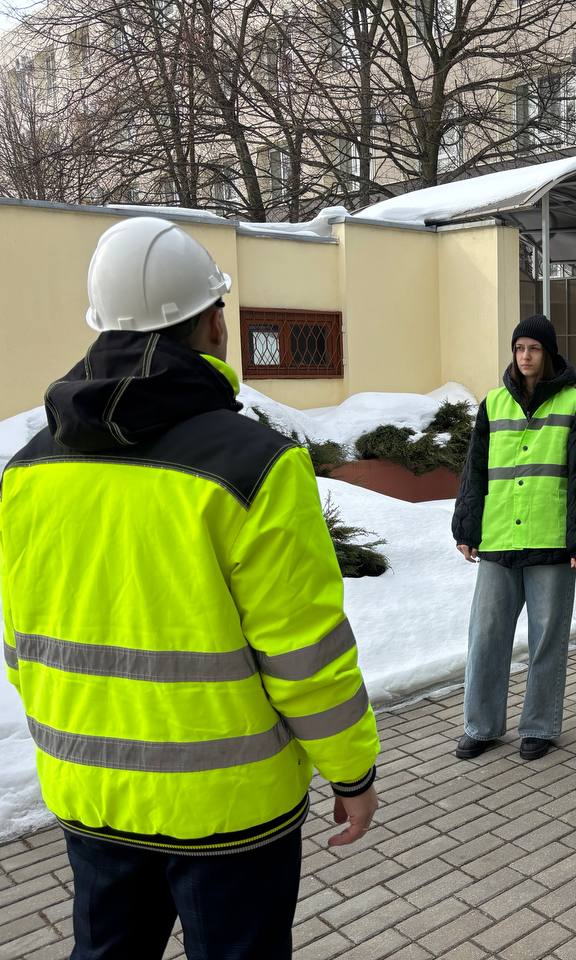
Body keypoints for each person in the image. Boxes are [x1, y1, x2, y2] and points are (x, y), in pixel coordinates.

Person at [0, 217, 380, 960]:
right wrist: (352, 771)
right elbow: (304, 655)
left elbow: (22, 641)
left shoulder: (27, 469)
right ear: (213, 322)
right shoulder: (258, 465)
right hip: (229, 810)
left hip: (91, 794)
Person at [451, 314, 576, 761]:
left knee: (546, 640)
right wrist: (466, 527)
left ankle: (539, 726)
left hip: (551, 541)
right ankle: (481, 726)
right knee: (486, 637)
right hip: (498, 538)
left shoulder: (574, 404)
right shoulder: (493, 404)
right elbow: (474, 470)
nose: (525, 356)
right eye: (519, 348)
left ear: (548, 353)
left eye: (534, 348)